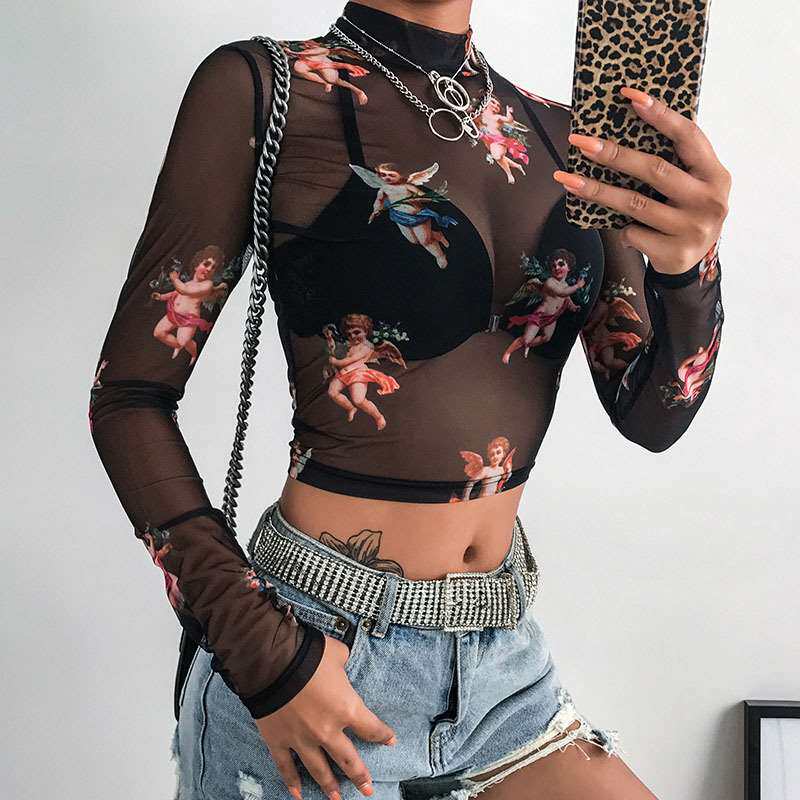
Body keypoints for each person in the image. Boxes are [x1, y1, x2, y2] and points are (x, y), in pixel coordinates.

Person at [88, 2, 730, 798]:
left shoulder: (570, 139)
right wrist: (260, 652)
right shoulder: (265, 88)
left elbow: (655, 415)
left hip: (504, 666)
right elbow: (129, 396)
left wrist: (691, 267)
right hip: (313, 651)